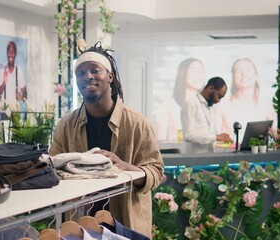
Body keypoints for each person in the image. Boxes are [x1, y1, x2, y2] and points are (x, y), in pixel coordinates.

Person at [49, 42, 164, 238]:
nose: (88, 77)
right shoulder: (66, 126)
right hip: (80, 223)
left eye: (95, 70)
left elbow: (156, 171)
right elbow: (52, 168)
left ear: (110, 76)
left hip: (126, 222)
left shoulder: (136, 123)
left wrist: (124, 166)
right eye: (81, 73)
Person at [220, 58, 277, 143]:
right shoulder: (222, 106)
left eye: (248, 69)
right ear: (233, 77)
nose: (244, 73)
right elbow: (214, 138)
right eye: (239, 70)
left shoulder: (267, 105)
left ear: (256, 75)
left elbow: (276, 136)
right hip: (228, 153)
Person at [155, 58, 206, 141]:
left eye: (202, 71)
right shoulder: (168, 105)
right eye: (193, 71)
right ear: (182, 74)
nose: (199, 76)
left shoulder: (207, 104)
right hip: (177, 152)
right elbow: (160, 140)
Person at [181, 76, 232, 153]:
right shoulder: (191, 104)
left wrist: (221, 138)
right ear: (211, 88)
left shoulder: (211, 107)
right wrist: (216, 137)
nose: (219, 100)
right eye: (219, 96)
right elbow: (188, 135)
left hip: (209, 156)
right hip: (193, 159)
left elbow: (207, 133)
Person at [0, 41, 27, 120]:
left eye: (12, 51)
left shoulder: (19, 71)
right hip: (4, 113)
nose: (10, 54)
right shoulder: (2, 70)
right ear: (6, 53)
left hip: (16, 113)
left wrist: (22, 97)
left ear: (15, 54)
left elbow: (25, 93)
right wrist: (4, 82)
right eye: (9, 51)